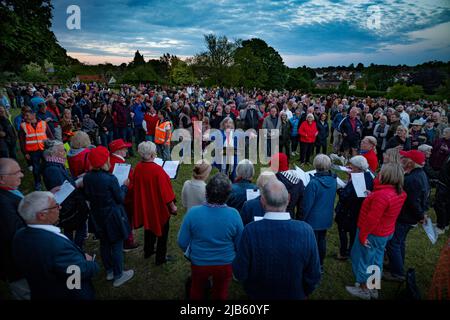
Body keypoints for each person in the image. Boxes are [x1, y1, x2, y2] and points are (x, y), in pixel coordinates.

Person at [232, 179, 321, 299]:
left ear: (262, 201)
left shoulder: (250, 231)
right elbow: (314, 274)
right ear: (288, 199)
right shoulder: (306, 231)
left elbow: (240, 272)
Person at [12, 191, 99, 300]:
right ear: (42, 215)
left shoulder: (19, 236)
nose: (60, 207)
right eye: (55, 206)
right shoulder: (56, 246)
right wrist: (91, 263)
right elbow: (75, 277)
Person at [178, 173, 244, 300]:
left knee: (196, 290)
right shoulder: (234, 214)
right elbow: (240, 243)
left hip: (199, 261)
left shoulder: (193, 213)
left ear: (206, 192)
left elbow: (182, 241)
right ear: (227, 196)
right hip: (225, 263)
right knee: (220, 292)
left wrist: (194, 252)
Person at [345, 163, 407, 300]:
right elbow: (387, 210)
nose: (378, 174)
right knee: (376, 259)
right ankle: (373, 287)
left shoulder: (382, 196)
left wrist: (362, 236)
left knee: (363, 259)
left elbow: (372, 219)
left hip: (371, 233)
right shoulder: (400, 193)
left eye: (381, 172)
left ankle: (363, 289)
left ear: (387, 176)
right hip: (385, 232)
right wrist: (372, 196)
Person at [83, 146, 134, 287]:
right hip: (112, 215)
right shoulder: (110, 178)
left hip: (97, 215)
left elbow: (87, 195)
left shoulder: (87, 177)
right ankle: (119, 275)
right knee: (117, 244)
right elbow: (120, 199)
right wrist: (124, 186)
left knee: (104, 243)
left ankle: (110, 270)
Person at [385, 150, 429, 282]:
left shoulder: (412, 179)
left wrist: (421, 215)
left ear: (410, 163)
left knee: (393, 243)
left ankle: (397, 272)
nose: (402, 159)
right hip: (409, 217)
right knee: (399, 242)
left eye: (404, 157)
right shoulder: (420, 174)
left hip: (405, 217)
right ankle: (395, 264)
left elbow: (413, 201)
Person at [131, 141, 177, 265]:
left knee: (149, 227)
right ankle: (160, 258)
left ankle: (148, 250)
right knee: (162, 234)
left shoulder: (138, 167)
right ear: (152, 154)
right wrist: (173, 207)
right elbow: (167, 194)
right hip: (158, 207)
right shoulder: (158, 171)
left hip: (146, 205)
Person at [302, 154, 337, 272]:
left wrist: (302, 219)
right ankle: (320, 264)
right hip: (326, 216)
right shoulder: (333, 179)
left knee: (312, 243)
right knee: (321, 241)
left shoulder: (313, 183)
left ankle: (312, 266)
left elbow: (306, 205)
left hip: (313, 219)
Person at [335, 156, 374, 260]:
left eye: (352, 167)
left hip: (348, 211)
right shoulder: (369, 175)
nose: (350, 168)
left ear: (358, 168)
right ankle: (351, 250)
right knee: (354, 232)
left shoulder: (358, 179)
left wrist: (339, 189)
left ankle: (343, 252)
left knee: (343, 230)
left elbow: (345, 197)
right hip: (359, 211)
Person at [0, 158, 29, 300]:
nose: (21, 175)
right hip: (18, 265)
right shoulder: (2, 204)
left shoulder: (10, 192)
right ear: (2, 179)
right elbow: (16, 232)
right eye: (17, 172)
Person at [108, 139, 139, 251]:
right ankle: (128, 241)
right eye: (124, 148)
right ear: (119, 150)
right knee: (127, 219)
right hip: (126, 197)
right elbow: (129, 182)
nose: (127, 150)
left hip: (118, 196)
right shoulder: (119, 164)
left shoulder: (111, 161)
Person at [19, 110, 53, 190]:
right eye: (24, 116)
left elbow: (50, 135)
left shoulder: (43, 123)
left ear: (33, 114)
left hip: (44, 149)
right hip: (33, 151)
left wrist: (51, 146)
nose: (25, 117)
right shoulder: (23, 125)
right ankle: (38, 183)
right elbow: (22, 141)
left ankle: (50, 180)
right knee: (36, 168)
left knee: (48, 165)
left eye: (27, 115)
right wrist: (25, 153)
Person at [270, 152, 304, 219]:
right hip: (290, 217)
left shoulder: (272, 180)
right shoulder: (299, 182)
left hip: (273, 217)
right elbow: (301, 206)